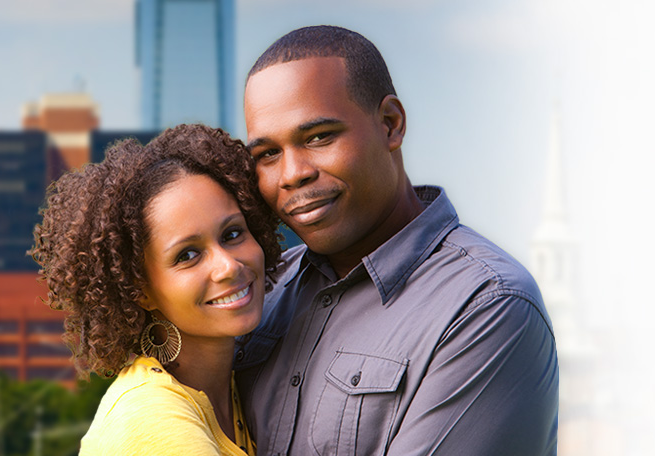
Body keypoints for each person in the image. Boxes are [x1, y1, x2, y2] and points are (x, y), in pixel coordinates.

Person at [231, 25, 560, 455]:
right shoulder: (262, 293)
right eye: (267, 154)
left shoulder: (488, 305)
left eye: (318, 137)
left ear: (391, 124)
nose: (292, 173)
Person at [31, 124, 284, 455]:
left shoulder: (230, 388)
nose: (229, 266)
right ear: (139, 289)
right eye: (188, 255)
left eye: (233, 234)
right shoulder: (155, 422)